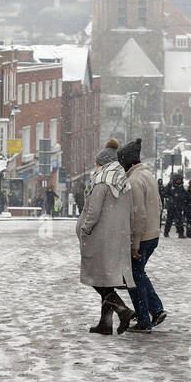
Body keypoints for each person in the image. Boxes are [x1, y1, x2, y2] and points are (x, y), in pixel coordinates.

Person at [77, 140, 137, 335]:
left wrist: (85, 229)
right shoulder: (122, 180)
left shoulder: (102, 180)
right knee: (106, 280)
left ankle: (123, 310)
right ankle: (105, 323)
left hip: (100, 238)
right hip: (117, 237)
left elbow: (93, 212)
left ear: (102, 163)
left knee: (96, 278)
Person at [121, 139, 165, 333]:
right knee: (139, 273)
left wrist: (134, 243)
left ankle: (143, 320)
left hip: (142, 237)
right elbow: (159, 205)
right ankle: (156, 310)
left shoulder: (134, 181)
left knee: (133, 278)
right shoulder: (148, 175)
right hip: (152, 234)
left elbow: (138, 214)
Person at [162, 173, 186, 238]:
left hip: (178, 206)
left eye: (180, 180)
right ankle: (166, 232)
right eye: (178, 180)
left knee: (179, 220)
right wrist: (170, 198)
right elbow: (164, 193)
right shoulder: (170, 185)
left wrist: (182, 198)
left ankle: (181, 233)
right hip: (171, 206)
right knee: (169, 220)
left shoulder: (181, 186)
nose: (179, 181)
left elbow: (184, 195)